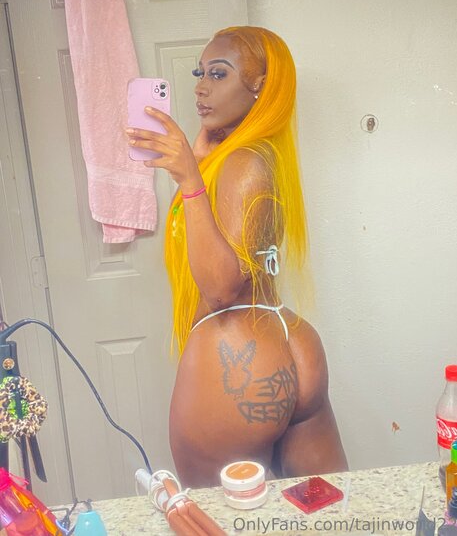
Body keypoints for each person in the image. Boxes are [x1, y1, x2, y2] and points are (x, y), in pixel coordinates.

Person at [126, 26, 348, 487]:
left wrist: (191, 179)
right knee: (330, 509)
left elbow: (221, 288)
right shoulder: (259, 156)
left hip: (236, 359)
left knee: (223, 518)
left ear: (259, 86)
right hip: (294, 345)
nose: (200, 88)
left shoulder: (242, 163)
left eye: (219, 73)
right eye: (200, 74)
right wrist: (200, 165)